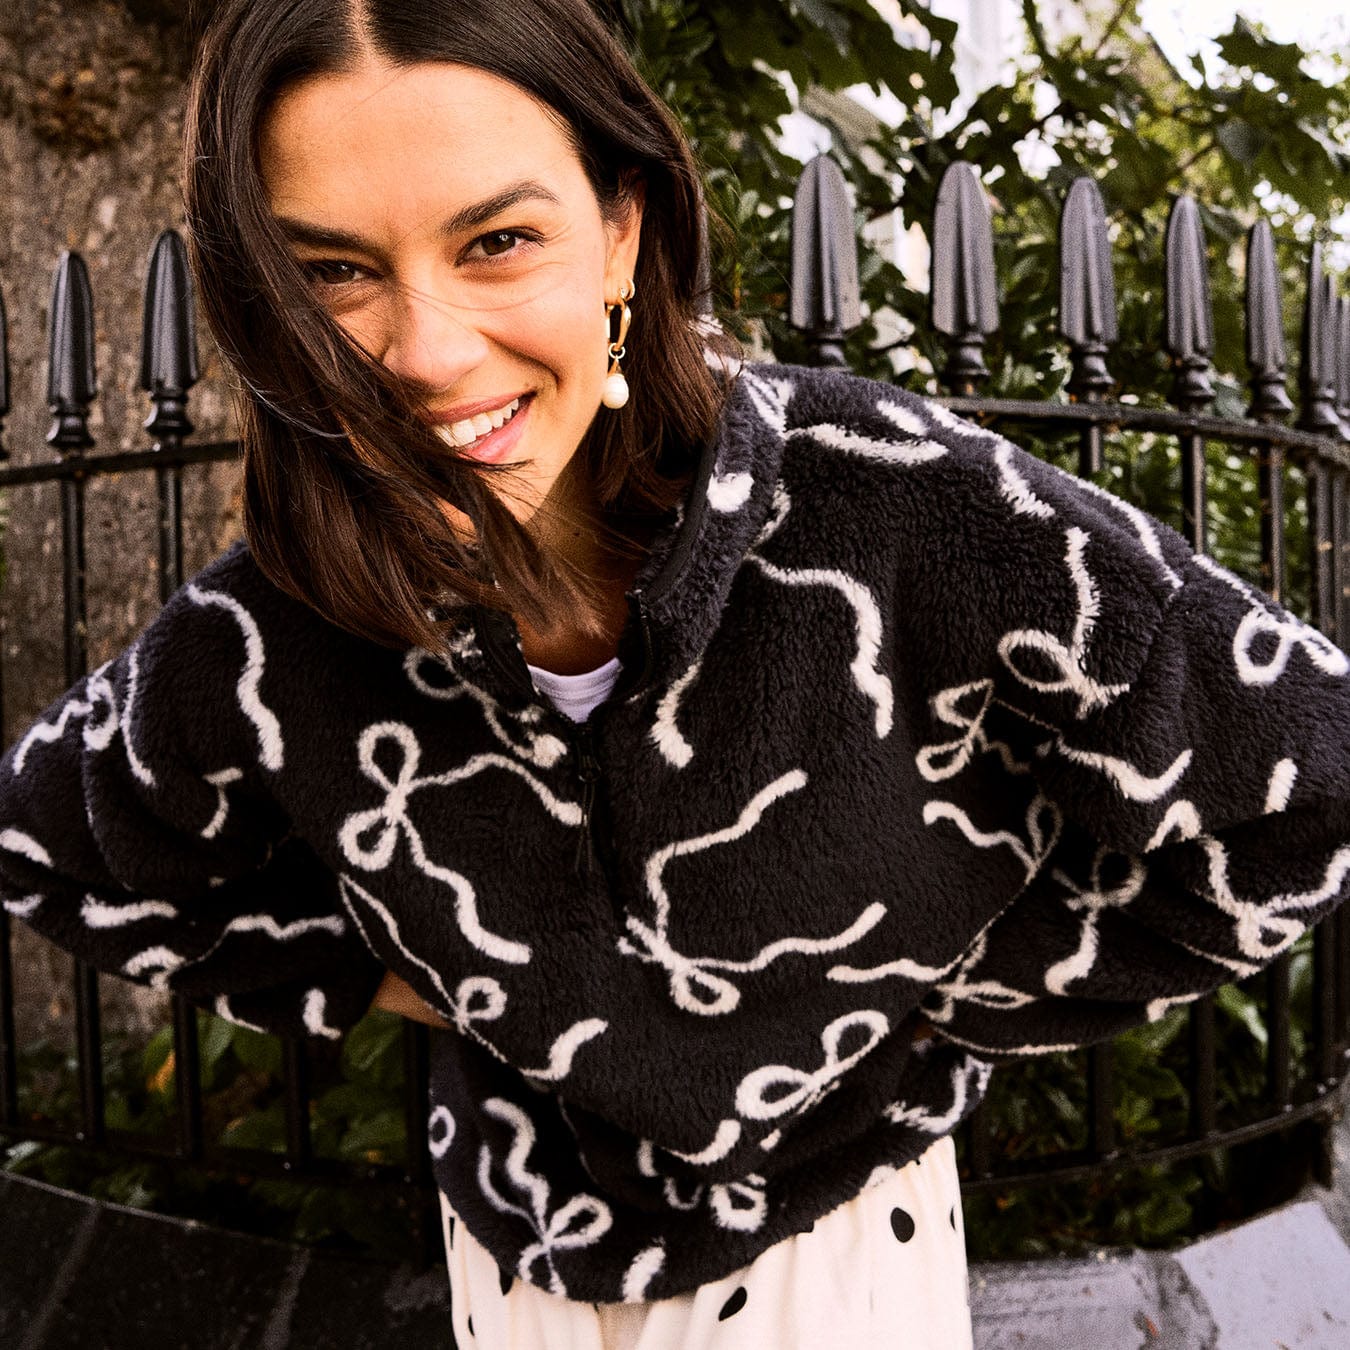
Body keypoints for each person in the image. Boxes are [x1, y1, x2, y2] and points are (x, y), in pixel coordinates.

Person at [5, 0, 1350, 1345]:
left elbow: (1310, 773)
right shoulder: (272, 625)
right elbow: (51, 845)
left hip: (841, 1256)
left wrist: (924, 995)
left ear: (623, 233)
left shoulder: (889, 500)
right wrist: (422, 976)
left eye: (497, 241)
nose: (425, 350)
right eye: (334, 273)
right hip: (512, 1266)